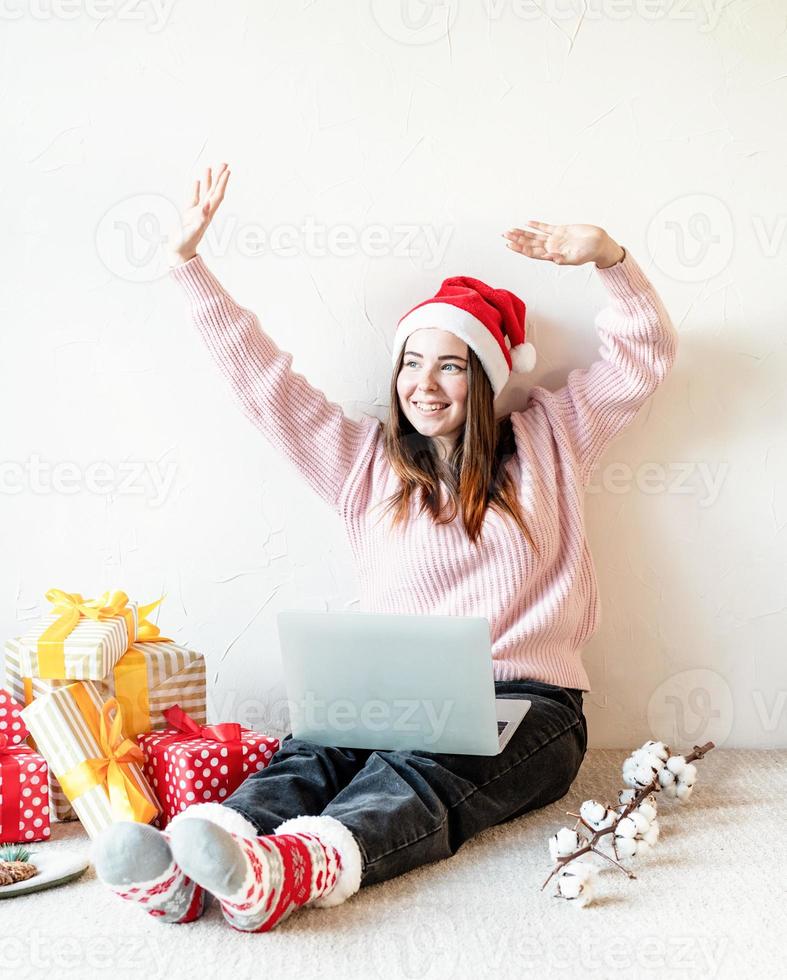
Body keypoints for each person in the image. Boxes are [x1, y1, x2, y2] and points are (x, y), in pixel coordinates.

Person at [94, 162, 678, 932]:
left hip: (526, 705)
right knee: (312, 755)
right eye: (411, 361)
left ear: (487, 376)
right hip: (389, 697)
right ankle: (196, 864)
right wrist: (187, 267)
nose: (424, 384)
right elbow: (262, 382)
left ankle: (296, 868)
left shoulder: (551, 440)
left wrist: (609, 258)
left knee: (416, 773)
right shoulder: (363, 462)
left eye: (449, 365)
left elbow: (645, 354)